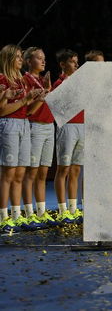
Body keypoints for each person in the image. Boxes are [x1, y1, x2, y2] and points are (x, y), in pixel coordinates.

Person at [0, 44, 45, 232]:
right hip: (8, 125)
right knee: (8, 174)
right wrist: (22, 101)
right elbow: (2, 111)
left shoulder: (21, 81)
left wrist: (39, 99)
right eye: (17, 57)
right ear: (9, 59)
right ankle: (3, 217)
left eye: (21, 56)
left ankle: (17, 216)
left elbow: (27, 111)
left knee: (19, 174)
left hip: (24, 125)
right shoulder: (2, 79)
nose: (20, 59)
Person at [22, 47, 60, 226]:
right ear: (29, 61)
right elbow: (29, 111)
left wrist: (47, 90)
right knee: (31, 172)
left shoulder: (42, 81)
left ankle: (41, 212)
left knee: (43, 173)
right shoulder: (26, 80)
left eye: (44, 58)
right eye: (39, 58)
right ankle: (29, 213)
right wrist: (43, 95)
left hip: (48, 127)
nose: (43, 61)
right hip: (34, 127)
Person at [52, 49, 84, 224]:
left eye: (76, 61)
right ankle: (62, 209)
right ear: (63, 64)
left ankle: (73, 209)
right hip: (67, 128)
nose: (76, 64)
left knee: (76, 170)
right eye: (72, 61)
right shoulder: (58, 84)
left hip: (82, 126)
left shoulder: (80, 83)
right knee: (63, 169)